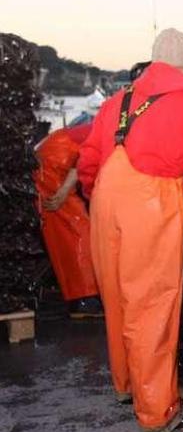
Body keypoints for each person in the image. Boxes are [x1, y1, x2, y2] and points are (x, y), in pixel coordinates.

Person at [77, 28, 183, 432]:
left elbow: (88, 161)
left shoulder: (115, 102)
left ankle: (127, 386)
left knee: (117, 295)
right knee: (152, 304)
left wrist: (100, 198)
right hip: (153, 200)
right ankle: (157, 411)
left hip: (106, 201)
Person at [33, 122, 102, 318]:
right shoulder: (122, 131)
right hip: (58, 159)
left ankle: (83, 296)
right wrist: (63, 192)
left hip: (57, 153)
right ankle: (83, 299)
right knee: (75, 228)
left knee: (71, 228)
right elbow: (83, 161)